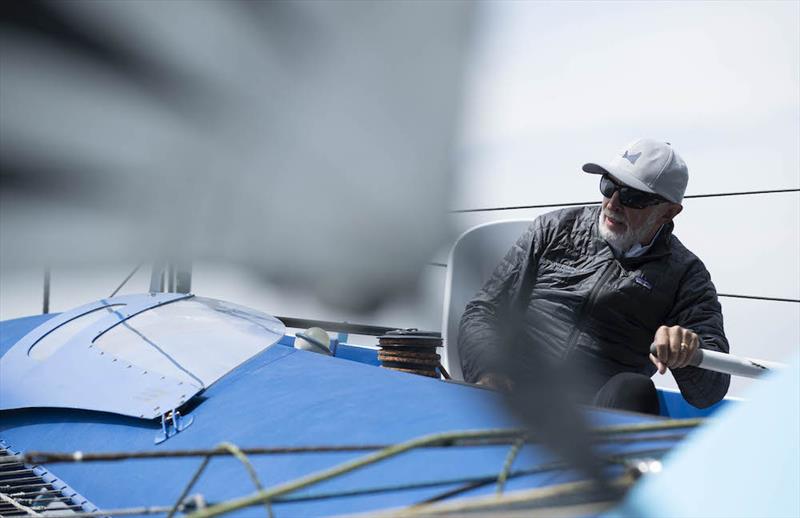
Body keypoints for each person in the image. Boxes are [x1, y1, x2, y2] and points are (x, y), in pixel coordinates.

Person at [458, 138, 730, 414]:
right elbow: (483, 311)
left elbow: (712, 389)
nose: (613, 203)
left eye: (633, 196)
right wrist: (489, 372)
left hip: (596, 423)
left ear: (668, 212)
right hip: (516, 399)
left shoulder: (686, 275)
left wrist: (686, 351)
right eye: (608, 185)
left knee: (633, 388)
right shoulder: (552, 229)